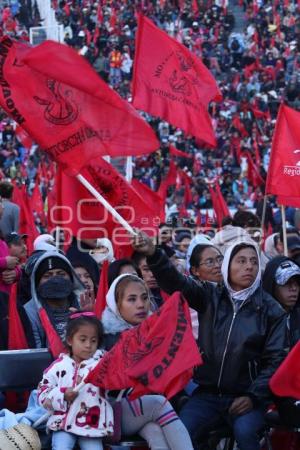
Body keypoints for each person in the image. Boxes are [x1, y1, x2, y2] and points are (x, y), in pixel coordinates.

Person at [132, 232, 286, 450]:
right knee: (182, 432)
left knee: (246, 432)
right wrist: (153, 255)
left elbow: (276, 360)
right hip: (208, 394)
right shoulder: (210, 296)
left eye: (254, 261)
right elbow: (176, 282)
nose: (249, 267)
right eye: (241, 261)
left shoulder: (272, 310)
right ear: (227, 267)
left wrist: (253, 396)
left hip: (247, 397)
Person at [102, 273, 194, 450]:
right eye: (131, 299)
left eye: (145, 298)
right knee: (160, 405)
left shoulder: (155, 333)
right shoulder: (106, 339)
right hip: (113, 413)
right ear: (116, 305)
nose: (140, 305)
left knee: (155, 433)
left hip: (145, 412)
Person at [37, 312, 114, 450]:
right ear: (70, 340)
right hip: (62, 424)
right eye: (83, 339)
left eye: (93, 340)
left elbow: (114, 390)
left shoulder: (103, 365)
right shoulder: (58, 367)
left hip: (91, 426)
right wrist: (62, 395)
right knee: (61, 447)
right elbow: (42, 394)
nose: (88, 345)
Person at [263, 257, 300, 427]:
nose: (293, 289)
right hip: (266, 391)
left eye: (297, 283)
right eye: (286, 283)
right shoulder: (258, 319)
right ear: (272, 286)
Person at [24, 251, 85, 347]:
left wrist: (89, 318)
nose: (55, 280)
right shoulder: (29, 312)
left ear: (72, 278)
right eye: (47, 276)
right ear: (37, 283)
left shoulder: (85, 303)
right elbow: (36, 354)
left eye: (61, 274)